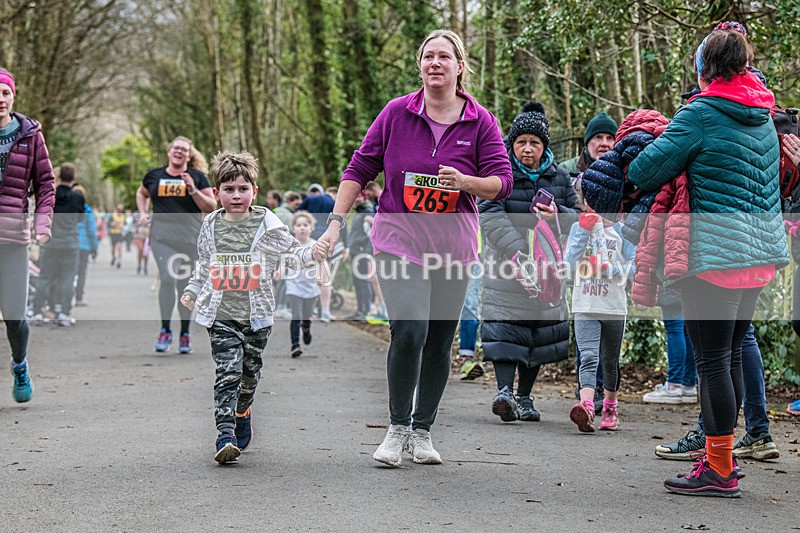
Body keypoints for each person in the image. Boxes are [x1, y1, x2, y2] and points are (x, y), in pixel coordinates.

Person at [314, 29, 513, 467]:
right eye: (428, 56)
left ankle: (422, 432)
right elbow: (359, 167)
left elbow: (503, 182)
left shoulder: (480, 121)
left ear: (460, 66)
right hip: (398, 240)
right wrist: (334, 225)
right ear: (420, 65)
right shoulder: (396, 113)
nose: (435, 63)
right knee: (410, 329)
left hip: (453, 247)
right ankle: (397, 428)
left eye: (444, 56)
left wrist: (465, 183)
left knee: (439, 340)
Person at [627, 26, 787, 497]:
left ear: (704, 69)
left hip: (714, 257)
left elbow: (644, 170)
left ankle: (718, 468)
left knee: (712, 361)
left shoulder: (700, 113)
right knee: (730, 354)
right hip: (759, 256)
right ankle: (723, 456)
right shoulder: (763, 114)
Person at [180, 151, 315, 464]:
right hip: (221, 313)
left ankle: (242, 411)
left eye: (243, 189)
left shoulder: (267, 223)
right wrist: (192, 289)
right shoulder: (210, 224)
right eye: (229, 190)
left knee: (249, 375)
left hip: (257, 316)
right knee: (227, 372)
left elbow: (294, 254)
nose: (236, 195)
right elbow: (204, 263)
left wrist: (315, 254)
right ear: (217, 193)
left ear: (254, 191)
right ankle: (225, 434)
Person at [480, 102, 578, 423]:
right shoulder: (499, 174)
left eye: (534, 142)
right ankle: (504, 392)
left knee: (537, 331)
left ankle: (524, 396)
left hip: (546, 269)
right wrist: (519, 252)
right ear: (512, 144)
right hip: (507, 266)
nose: (527, 149)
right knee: (505, 327)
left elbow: (578, 218)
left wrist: (558, 215)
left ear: (544, 146)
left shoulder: (559, 177)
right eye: (521, 142)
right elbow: (490, 214)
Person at [0, 68, 55, 402]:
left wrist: (42, 223)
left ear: (13, 96)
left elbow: (45, 183)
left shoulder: (30, 135)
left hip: (13, 239)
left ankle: (19, 364)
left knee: (14, 316)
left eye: (4, 92)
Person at [136, 136, 216, 354]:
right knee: (167, 278)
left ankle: (184, 333)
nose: (179, 151)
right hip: (161, 236)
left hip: (190, 238)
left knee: (184, 287)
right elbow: (141, 193)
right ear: (169, 151)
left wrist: (193, 190)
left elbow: (211, 206)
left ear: (189, 155)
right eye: (176, 148)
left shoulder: (197, 177)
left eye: (184, 149)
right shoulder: (154, 175)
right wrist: (143, 212)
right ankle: (165, 330)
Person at [564, 210, 636, 431]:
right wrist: (582, 232)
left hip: (613, 308)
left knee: (609, 362)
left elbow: (635, 266)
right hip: (585, 305)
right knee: (587, 356)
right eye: (588, 201)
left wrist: (609, 269)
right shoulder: (577, 228)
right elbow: (568, 263)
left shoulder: (622, 232)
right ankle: (586, 407)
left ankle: (610, 408)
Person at [30, 163, 84, 327]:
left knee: (45, 277)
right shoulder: (78, 197)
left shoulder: (50, 195)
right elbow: (80, 218)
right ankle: (64, 313)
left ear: (59, 176)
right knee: (68, 278)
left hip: (51, 242)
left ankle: (37, 312)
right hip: (70, 242)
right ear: (74, 178)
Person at [299, 183, 347, 321]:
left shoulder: (308, 200)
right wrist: (346, 245)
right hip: (326, 241)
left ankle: (313, 309)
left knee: (312, 276)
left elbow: (297, 215)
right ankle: (324, 311)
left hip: (310, 240)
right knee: (324, 278)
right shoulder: (331, 202)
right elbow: (341, 222)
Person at [283, 211, 320, 356]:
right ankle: (295, 345)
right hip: (293, 286)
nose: (302, 228)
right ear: (293, 228)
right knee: (296, 315)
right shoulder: (290, 245)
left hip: (311, 288)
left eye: (305, 225)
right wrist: (279, 271)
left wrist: (322, 276)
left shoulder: (315, 245)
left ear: (311, 228)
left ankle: (306, 328)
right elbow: (283, 261)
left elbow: (322, 263)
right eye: (299, 225)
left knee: (306, 316)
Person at [561, 112, 618, 177]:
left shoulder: (624, 171)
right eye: (598, 137)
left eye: (609, 138)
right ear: (587, 142)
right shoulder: (566, 170)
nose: (604, 143)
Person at [73, 185, 99, 307]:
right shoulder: (87, 210)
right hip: (84, 246)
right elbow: (92, 231)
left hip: (71, 244)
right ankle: (79, 298)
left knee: (69, 272)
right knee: (82, 272)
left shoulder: (67, 208)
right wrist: (94, 247)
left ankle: (65, 299)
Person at [108, 203, 126, 268]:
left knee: (119, 248)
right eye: (118, 209)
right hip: (113, 233)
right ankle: (113, 257)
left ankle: (119, 261)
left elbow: (125, 224)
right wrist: (114, 224)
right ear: (117, 209)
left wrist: (123, 226)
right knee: (113, 248)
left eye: (121, 209)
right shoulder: (112, 216)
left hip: (120, 234)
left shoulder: (123, 216)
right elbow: (109, 224)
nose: (119, 210)